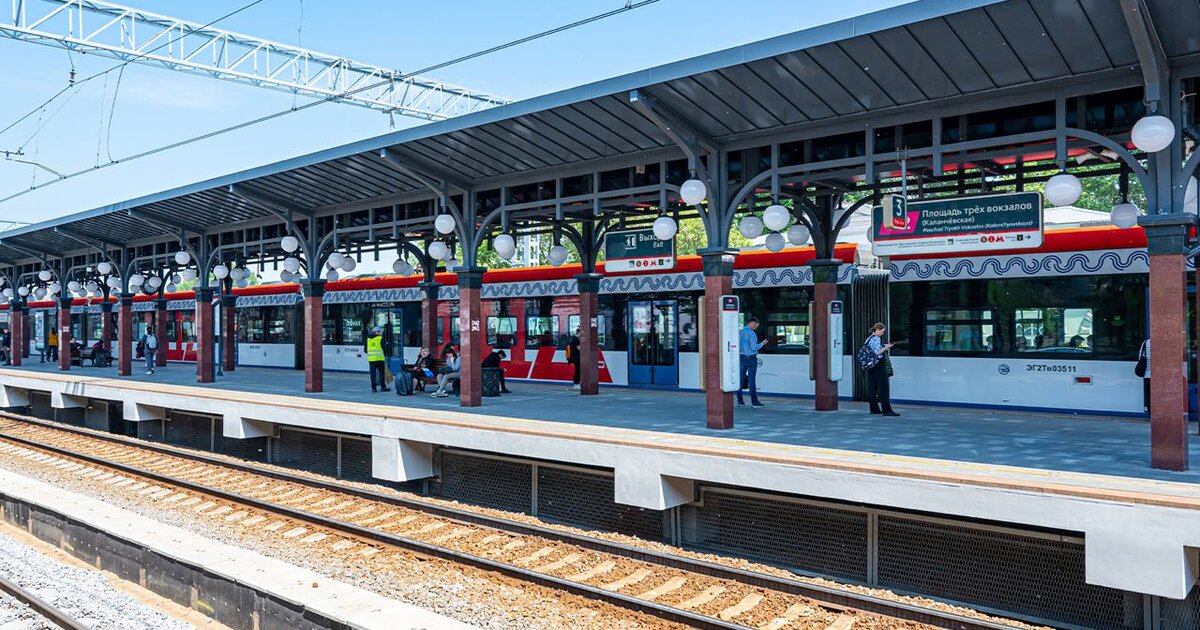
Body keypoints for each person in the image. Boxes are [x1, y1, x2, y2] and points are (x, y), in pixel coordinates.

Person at [865, 323, 899, 417]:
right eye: (882, 331)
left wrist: (883, 345)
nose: (882, 333)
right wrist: (886, 347)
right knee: (884, 388)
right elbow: (877, 352)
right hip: (879, 365)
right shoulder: (876, 338)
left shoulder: (869, 338)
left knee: (872, 388)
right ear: (877, 330)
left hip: (871, 365)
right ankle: (887, 410)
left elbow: (872, 349)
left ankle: (874, 409)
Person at [737, 317, 766, 408]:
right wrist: (762, 343)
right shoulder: (751, 333)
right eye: (756, 326)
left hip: (741, 357)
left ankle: (740, 401)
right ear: (752, 323)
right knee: (751, 381)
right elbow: (754, 348)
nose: (756, 328)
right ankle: (754, 402)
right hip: (751, 358)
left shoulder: (740, 332)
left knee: (740, 380)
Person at [365, 327, 387, 393]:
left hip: (371, 360)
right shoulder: (380, 338)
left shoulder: (368, 339)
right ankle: (383, 387)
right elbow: (384, 348)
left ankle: (373, 388)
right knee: (381, 374)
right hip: (380, 359)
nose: (380, 333)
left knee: (372, 375)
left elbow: (365, 350)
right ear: (377, 332)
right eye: (380, 332)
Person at [1139, 338, 1151, 415]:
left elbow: (1140, 357)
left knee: (1149, 394)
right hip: (1160, 375)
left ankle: (1151, 413)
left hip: (1147, 374)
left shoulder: (1146, 342)